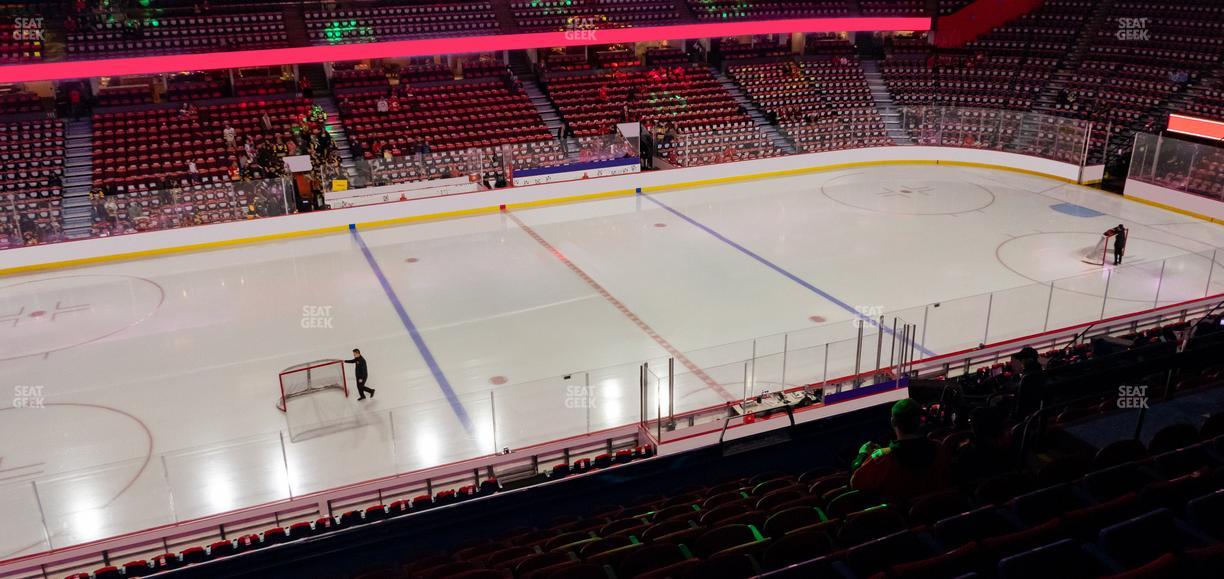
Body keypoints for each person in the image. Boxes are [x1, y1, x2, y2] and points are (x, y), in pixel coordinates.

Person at [850, 399, 953, 502]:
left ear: (893, 422)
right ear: (921, 420)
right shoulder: (940, 448)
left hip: (900, 514)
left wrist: (862, 455)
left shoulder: (882, 458)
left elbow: (856, 483)